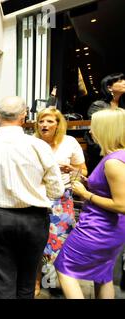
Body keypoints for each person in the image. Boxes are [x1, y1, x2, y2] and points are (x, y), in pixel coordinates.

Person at [0, 96, 64, 299]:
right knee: (27, 282)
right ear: (24, 115)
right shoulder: (40, 147)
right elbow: (57, 191)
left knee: (3, 281)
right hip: (34, 220)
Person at [54, 108, 125, 299]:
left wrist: (86, 194)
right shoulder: (118, 157)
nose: (91, 132)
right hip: (111, 228)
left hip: (98, 228)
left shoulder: (114, 162)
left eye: (94, 127)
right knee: (103, 275)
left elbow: (122, 205)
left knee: (64, 267)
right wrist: (88, 183)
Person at [34, 107, 88, 295]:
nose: (44, 125)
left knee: (59, 242)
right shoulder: (32, 143)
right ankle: (37, 281)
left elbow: (83, 172)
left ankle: (63, 281)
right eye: (41, 121)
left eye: (49, 121)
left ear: (58, 124)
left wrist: (70, 168)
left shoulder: (69, 142)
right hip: (37, 198)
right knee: (36, 242)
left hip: (61, 200)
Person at [86, 73, 125, 173]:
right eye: (120, 81)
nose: (124, 83)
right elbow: (96, 131)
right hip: (101, 145)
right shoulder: (98, 105)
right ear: (109, 87)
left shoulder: (122, 105)